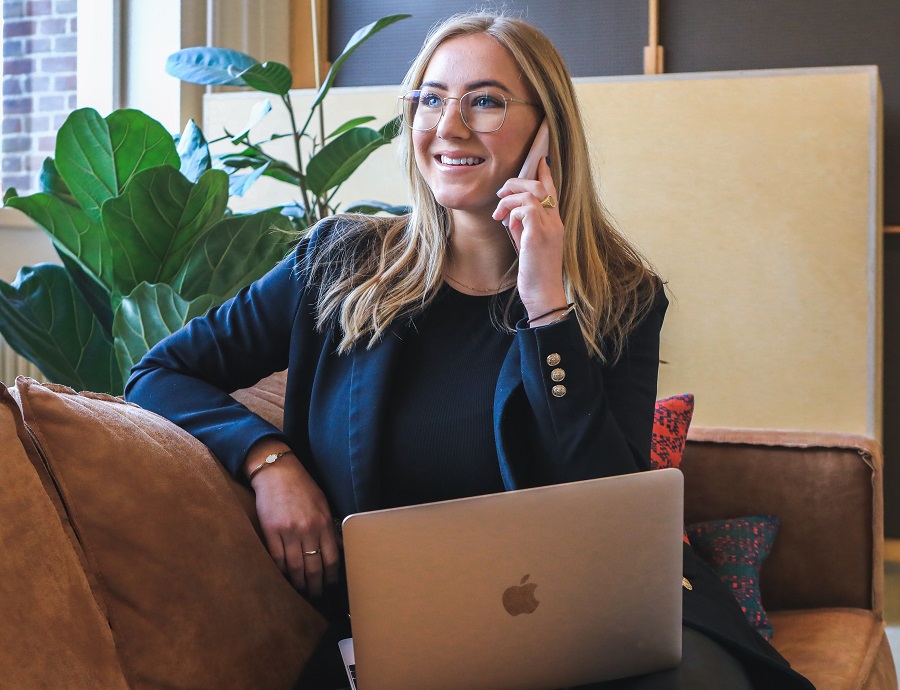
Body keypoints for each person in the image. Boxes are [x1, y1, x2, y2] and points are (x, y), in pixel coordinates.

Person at [126, 11, 813, 690]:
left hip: (596, 623)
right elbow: (158, 372)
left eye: (484, 101)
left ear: (548, 130)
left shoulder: (621, 296)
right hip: (407, 638)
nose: (448, 126)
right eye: (430, 99)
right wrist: (268, 461)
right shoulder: (338, 265)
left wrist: (549, 307)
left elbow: (614, 513)